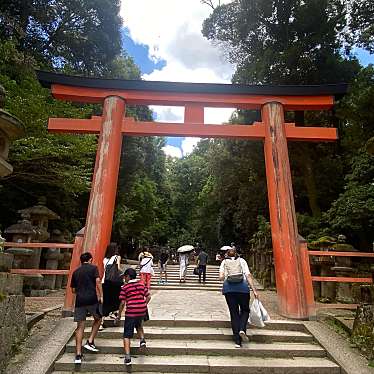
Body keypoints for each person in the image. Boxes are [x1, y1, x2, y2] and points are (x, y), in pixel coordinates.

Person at [219, 247, 258, 348]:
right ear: (237, 254)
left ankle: (237, 341)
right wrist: (254, 290)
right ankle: (242, 329)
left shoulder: (224, 262)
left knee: (234, 313)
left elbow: (221, 277)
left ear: (227, 254)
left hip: (229, 289)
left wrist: (224, 276)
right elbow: (248, 275)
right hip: (243, 288)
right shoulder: (242, 261)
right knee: (245, 310)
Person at [70, 252, 103, 364]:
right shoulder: (93, 268)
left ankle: (78, 355)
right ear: (90, 259)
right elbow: (98, 281)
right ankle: (90, 341)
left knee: (80, 327)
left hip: (79, 301)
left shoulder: (75, 272)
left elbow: (73, 290)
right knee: (98, 318)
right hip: (91, 299)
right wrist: (101, 295)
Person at [118, 267, 151, 367]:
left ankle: (128, 357)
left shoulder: (125, 287)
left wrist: (119, 315)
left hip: (131, 311)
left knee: (127, 335)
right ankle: (142, 340)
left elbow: (123, 302)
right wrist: (143, 304)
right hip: (141, 311)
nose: (124, 279)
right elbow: (148, 296)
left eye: (125, 277)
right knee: (139, 325)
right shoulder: (141, 285)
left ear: (128, 276)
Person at [101, 243, 122, 329]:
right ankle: (113, 313)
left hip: (105, 281)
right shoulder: (117, 257)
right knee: (117, 299)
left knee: (106, 301)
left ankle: (101, 322)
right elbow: (118, 268)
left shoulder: (105, 259)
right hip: (115, 282)